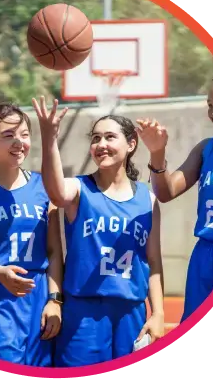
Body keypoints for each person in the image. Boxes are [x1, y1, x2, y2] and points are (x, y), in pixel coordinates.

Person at [32, 96, 164, 367]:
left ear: (131, 144)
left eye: (109, 137)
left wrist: (159, 313)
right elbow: (55, 192)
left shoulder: (147, 199)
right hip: (84, 313)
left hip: (131, 312)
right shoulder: (79, 189)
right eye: (95, 138)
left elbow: (153, 262)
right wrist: (49, 137)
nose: (101, 144)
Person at [136, 71, 213, 322]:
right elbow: (165, 192)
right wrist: (157, 153)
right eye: (211, 106)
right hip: (205, 257)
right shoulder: (207, 148)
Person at [0, 102, 64, 366]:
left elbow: (55, 251)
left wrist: (55, 300)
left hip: (37, 300)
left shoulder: (44, 185)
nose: (19, 142)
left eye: (24, 134)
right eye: (8, 135)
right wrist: (0, 273)